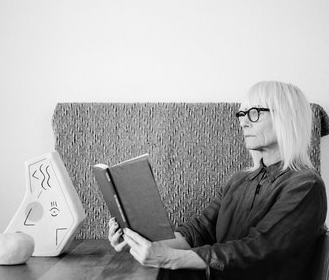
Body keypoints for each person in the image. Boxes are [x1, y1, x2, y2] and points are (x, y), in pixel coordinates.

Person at [108, 81, 327, 279]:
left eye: (253, 113)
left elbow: (258, 251)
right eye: (241, 114)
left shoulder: (305, 185)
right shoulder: (239, 180)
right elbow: (198, 231)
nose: (243, 123)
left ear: (285, 118)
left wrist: (170, 258)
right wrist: (138, 240)